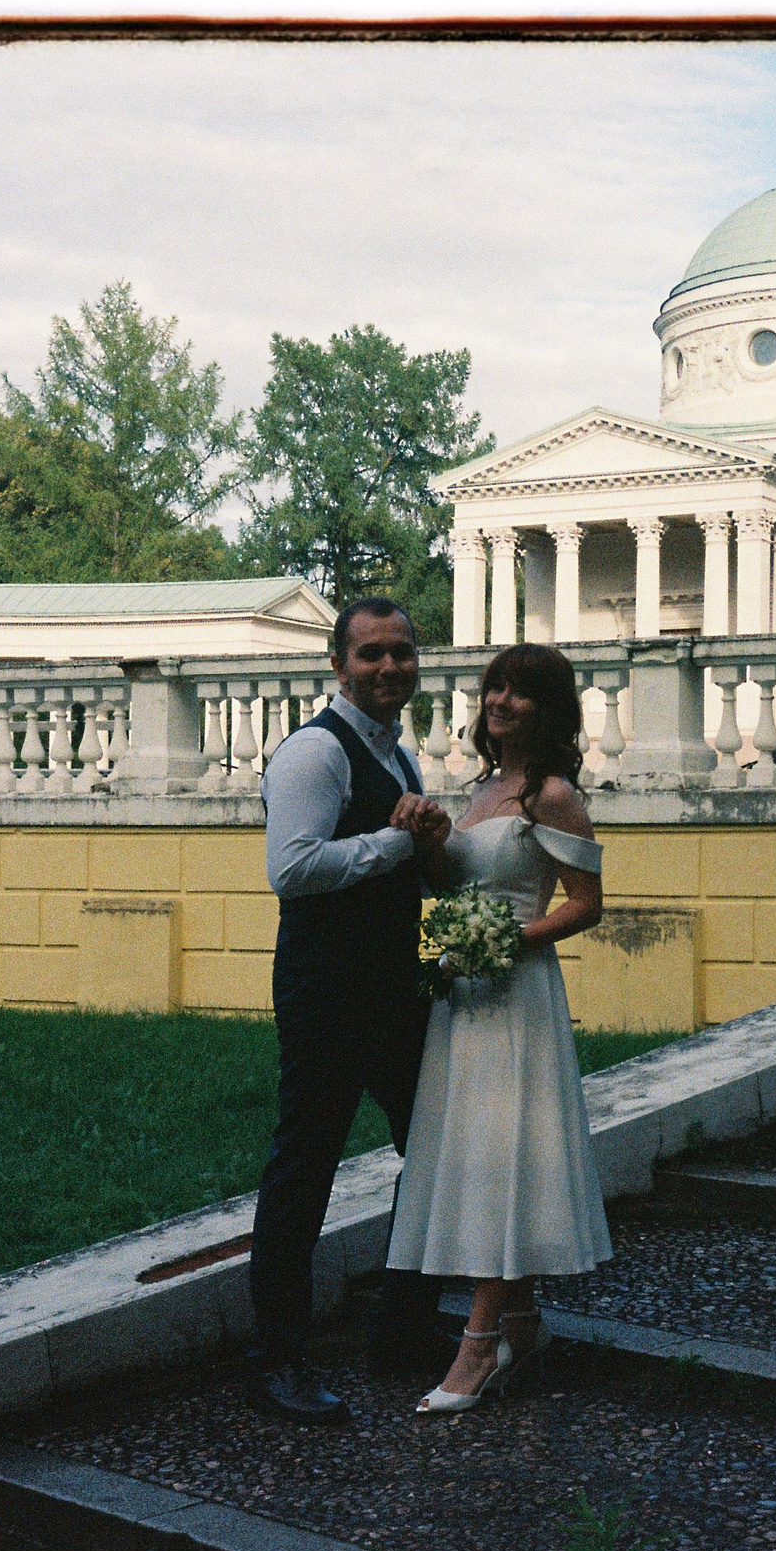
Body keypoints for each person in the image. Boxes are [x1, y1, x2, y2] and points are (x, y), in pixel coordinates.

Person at [386, 641, 612, 1414]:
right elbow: (453, 884)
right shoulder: (480, 789)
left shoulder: (551, 794)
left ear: (548, 708)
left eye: (519, 693)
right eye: (494, 688)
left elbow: (587, 903)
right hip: (463, 996)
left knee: (498, 1154)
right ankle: (521, 1321)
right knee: (479, 1150)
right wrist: (431, 848)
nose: (501, 701)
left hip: (516, 996)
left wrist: (505, 941)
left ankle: (477, 1346)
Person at [246, 596, 454, 1425]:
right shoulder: (314, 752)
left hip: (393, 985)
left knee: (433, 1150)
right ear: (338, 665)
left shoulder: (398, 757)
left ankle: (400, 1329)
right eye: (370, 654)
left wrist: (432, 838)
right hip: (326, 988)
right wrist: (399, 842)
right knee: (307, 1165)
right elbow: (292, 870)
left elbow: (416, 872)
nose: (388, 668)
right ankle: (277, 1361)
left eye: (401, 653)